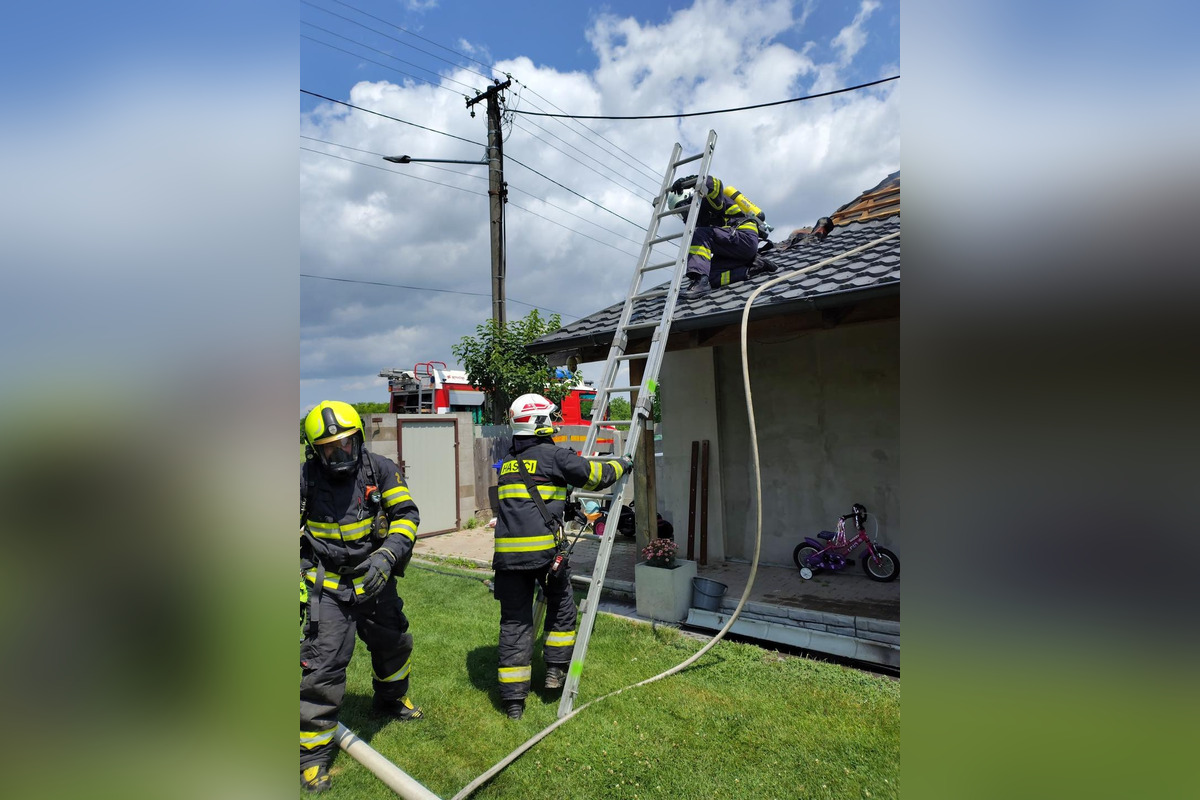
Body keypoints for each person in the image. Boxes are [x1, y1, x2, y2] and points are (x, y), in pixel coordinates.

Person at [299, 401, 423, 793]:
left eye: (347, 444)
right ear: (315, 450)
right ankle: (312, 755)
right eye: (330, 449)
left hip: (375, 580)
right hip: (330, 589)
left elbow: (407, 514)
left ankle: (390, 699)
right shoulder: (303, 478)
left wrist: (387, 557)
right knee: (323, 666)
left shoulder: (380, 469)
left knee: (393, 644)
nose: (340, 454)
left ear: (360, 439)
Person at [492, 393, 633, 720]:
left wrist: (560, 505)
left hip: (507, 559)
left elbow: (531, 499)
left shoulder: (510, 461)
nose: (554, 423)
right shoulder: (552, 455)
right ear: (540, 422)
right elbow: (595, 476)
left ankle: (514, 702)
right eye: (550, 418)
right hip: (543, 553)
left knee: (515, 622)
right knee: (562, 605)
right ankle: (555, 669)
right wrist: (623, 463)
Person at [667, 174, 770, 298]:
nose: (684, 216)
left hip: (745, 237)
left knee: (699, 234)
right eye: (679, 214)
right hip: (733, 250)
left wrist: (694, 181)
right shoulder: (701, 220)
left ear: (690, 199)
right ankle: (753, 268)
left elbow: (715, 185)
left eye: (683, 210)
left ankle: (700, 281)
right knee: (710, 277)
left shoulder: (709, 202)